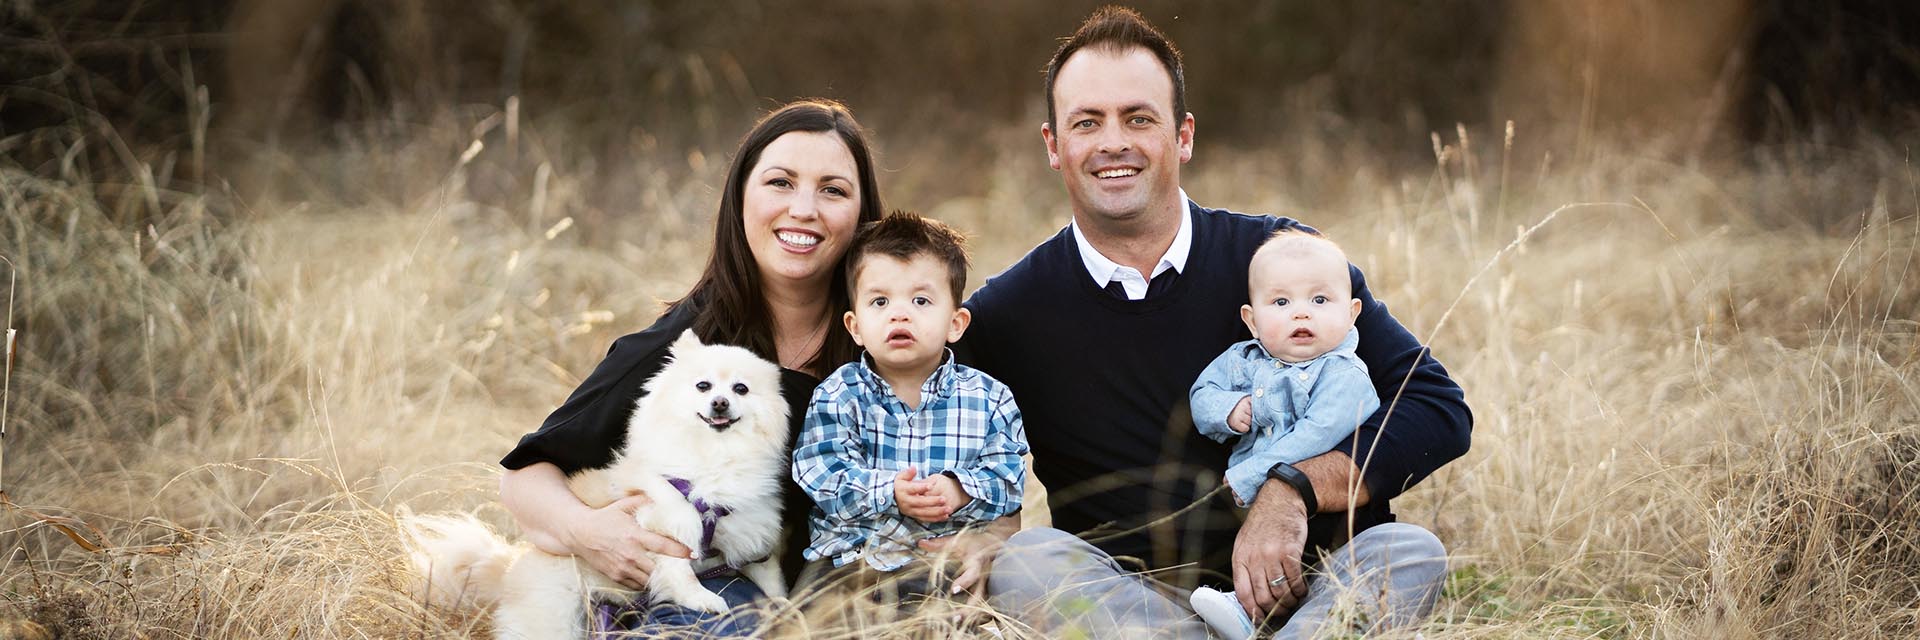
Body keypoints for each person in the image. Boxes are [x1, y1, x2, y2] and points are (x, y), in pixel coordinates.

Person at [961, 6, 1472, 638]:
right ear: (1053, 145)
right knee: (1028, 562)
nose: (1113, 142)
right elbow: (904, 406)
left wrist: (1294, 489)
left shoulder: (1284, 261)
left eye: (1139, 118)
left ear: (1183, 135)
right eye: (1087, 122)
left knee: (1409, 550)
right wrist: (981, 532)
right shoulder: (1006, 314)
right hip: (1139, 610)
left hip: (1313, 589)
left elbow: (1437, 407)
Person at [496, 99, 885, 636]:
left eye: (833, 190)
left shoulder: (893, 342)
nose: (803, 209)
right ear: (740, 198)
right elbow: (524, 476)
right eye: (780, 182)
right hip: (721, 589)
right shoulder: (686, 351)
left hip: (852, 597)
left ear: (864, 214)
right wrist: (591, 532)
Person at [790, 210, 1028, 602]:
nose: (899, 313)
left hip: (944, 562)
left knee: (971, 608)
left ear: (956, 323)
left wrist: (960, 488)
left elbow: (1009, 478)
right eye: (880, 301)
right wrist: (889, 491)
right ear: (856, 327)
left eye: (920, 300)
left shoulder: (989, 398)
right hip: (849, 564)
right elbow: (819, 473)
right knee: (808, 618)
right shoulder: (839, 394)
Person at [1184, 230, 1381, 640]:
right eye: (1281, 302)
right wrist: (1229, 411)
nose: (1301, 314)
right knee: (1254, 556)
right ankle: (1247, 611)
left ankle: (1334, 617)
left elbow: (1317, 434)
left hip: (1324, 512)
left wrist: (1255, 474)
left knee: (1316, 560)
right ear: (1252, 320)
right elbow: (1202, 395)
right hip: (1246, 505)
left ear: (1352, 313)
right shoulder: (1243, 360)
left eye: (1320, 300)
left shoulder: (1345, 375)